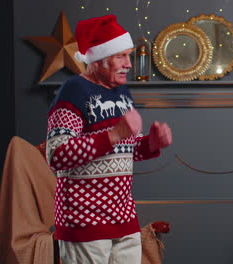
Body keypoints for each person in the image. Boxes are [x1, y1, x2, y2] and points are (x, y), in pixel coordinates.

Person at [45, 14, 172, 263]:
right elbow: (57, 155)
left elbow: (124, 149)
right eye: (120, 56)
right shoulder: (73, 91)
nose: (129, 64)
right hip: (84, 221)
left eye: (129, 55)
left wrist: (150, 144)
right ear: (100, 59)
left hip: (123, 218)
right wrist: (114, 134)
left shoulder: (121, 92)